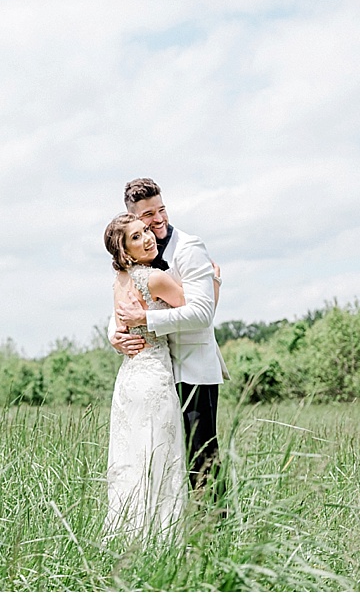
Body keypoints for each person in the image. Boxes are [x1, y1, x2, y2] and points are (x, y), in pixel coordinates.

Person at [110, 178, 229, 494]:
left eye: (162, 209)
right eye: (148, 215)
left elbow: (202, 314)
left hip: (193, 368)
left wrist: (146, 320)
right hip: (154, 372)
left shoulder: (189, 248)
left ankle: (213, 534)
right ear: (134, 217)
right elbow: (125, 300)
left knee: (200, 457)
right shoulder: (133, 255)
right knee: (157, 456)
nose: (158, 220)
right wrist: (114, 334)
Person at [102, 212, 188, 539]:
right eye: (135, 237)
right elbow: (194, 309)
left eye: (145, 231)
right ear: (124, 251)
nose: (147, 238)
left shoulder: (119, 282)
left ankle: (130, 533)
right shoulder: (153, 278)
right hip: (153, 377)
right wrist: (216, 281)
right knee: (161, 456)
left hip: (128, 379)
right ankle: (162, 538)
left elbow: (119, 324)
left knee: (133, 459)